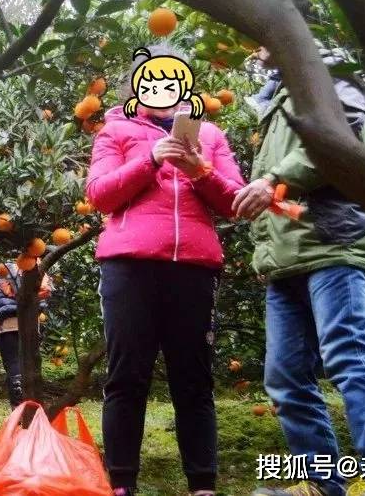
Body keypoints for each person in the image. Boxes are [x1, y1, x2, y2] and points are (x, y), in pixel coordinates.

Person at [236, 47, 365, 496]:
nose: (255, 50)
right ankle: (320, 483)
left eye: (261, 37)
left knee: (349, 357)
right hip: (288, 256)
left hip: (333, 243)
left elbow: (345, 144)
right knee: (284, 376)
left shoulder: (331, 79)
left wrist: (273, 178)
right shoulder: (277, 97)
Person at [86, 44, 245, 496]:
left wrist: (200, 171)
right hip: (129, 267)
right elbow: (100, 194)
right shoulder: (114, 132)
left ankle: (202, 484)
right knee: (126, 374)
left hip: (194, 267)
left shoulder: (210, 135)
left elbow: (233, 201)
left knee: (193, 377)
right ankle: (122, 482)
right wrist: (151, 158)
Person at [0, 260, 52, 409]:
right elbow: (44, 290)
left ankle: (20, 410)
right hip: (27, 317)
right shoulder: (33, 259)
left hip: (6, 318)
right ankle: (30, 409)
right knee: (29, 364)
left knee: (13, 363)